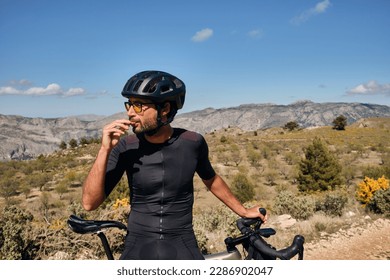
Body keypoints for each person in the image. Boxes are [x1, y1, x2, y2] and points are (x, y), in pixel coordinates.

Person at [82, 70, 266, 260]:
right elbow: (89, 203)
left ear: (164, 109)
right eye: (129, 104)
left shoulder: (193, 142)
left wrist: (243, 210)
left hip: (182, 242)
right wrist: (104, 150)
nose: (129, 113)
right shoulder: (125, 147)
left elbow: (211, 180)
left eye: (138, 106)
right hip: (138, 243)